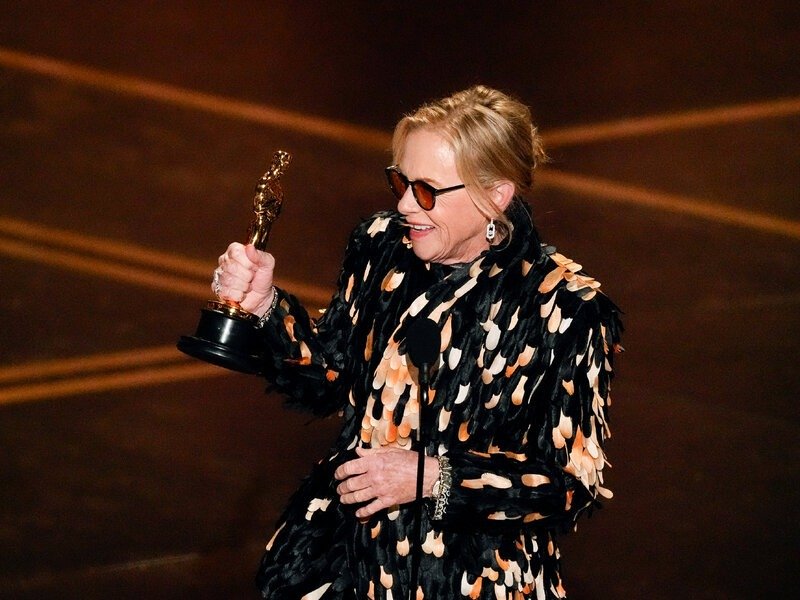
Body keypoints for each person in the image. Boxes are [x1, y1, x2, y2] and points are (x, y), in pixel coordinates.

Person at [212, 85, 623, 600]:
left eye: (427, 190)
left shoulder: (565, 308)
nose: (405, 204)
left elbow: (568, 487)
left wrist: (435, 478)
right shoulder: (381, 246)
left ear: (495, 195)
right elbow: (331, 378)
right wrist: (266, 308)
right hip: (353, 563)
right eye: (399, 182)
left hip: (473, 580)